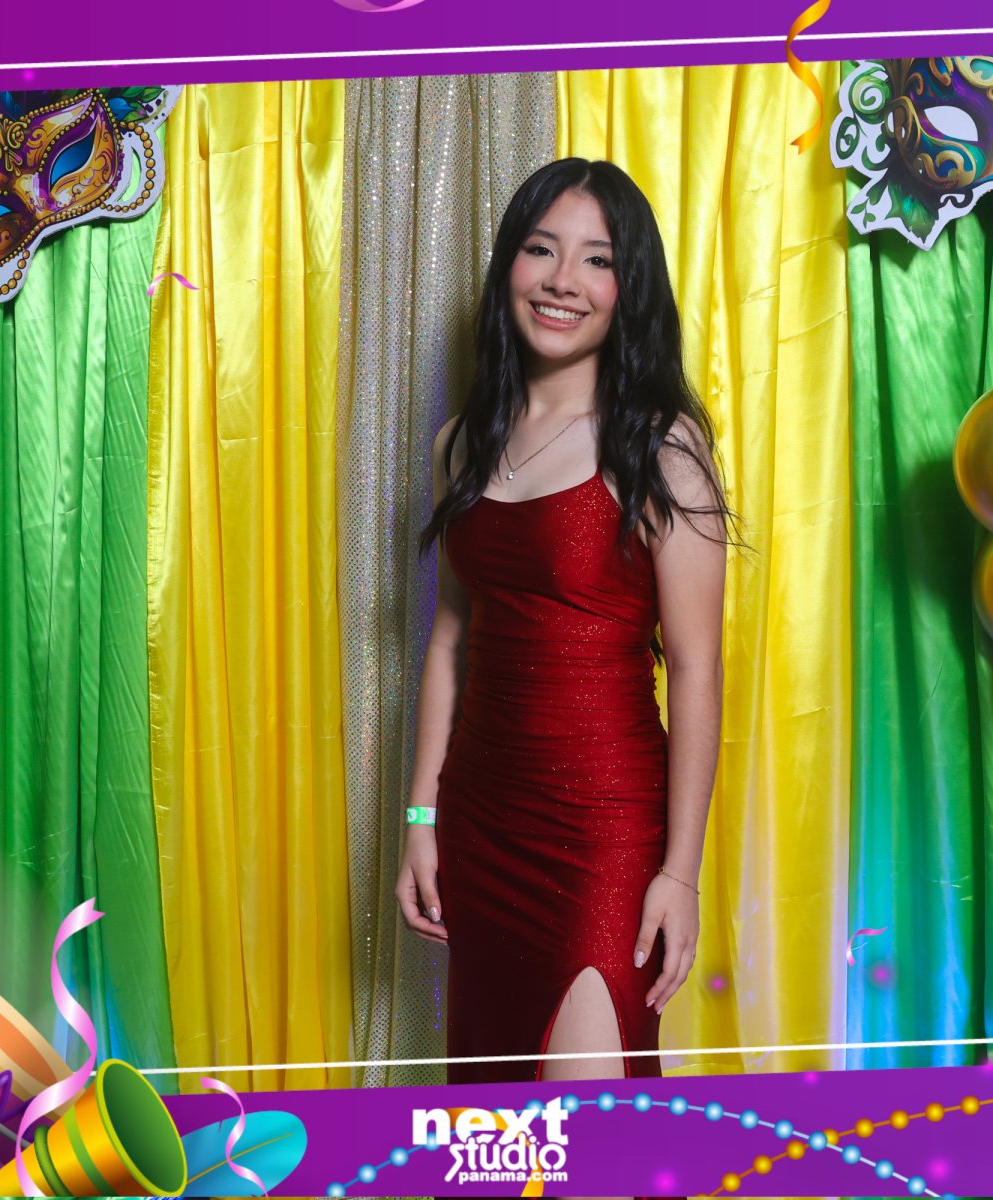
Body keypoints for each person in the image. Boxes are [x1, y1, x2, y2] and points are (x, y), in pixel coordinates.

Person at [396, 158, 731, 1088]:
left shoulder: (660, 447)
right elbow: (450, 640)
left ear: (630, 288)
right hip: (479, 822)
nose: (563, 281)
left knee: (589, 1122)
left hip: (603, 831)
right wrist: (421, 818)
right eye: (542, 250)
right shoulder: (461, 443)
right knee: (496, 1128)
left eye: (597, 260)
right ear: (510, 263)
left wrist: (679, 873)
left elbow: (697, 670)